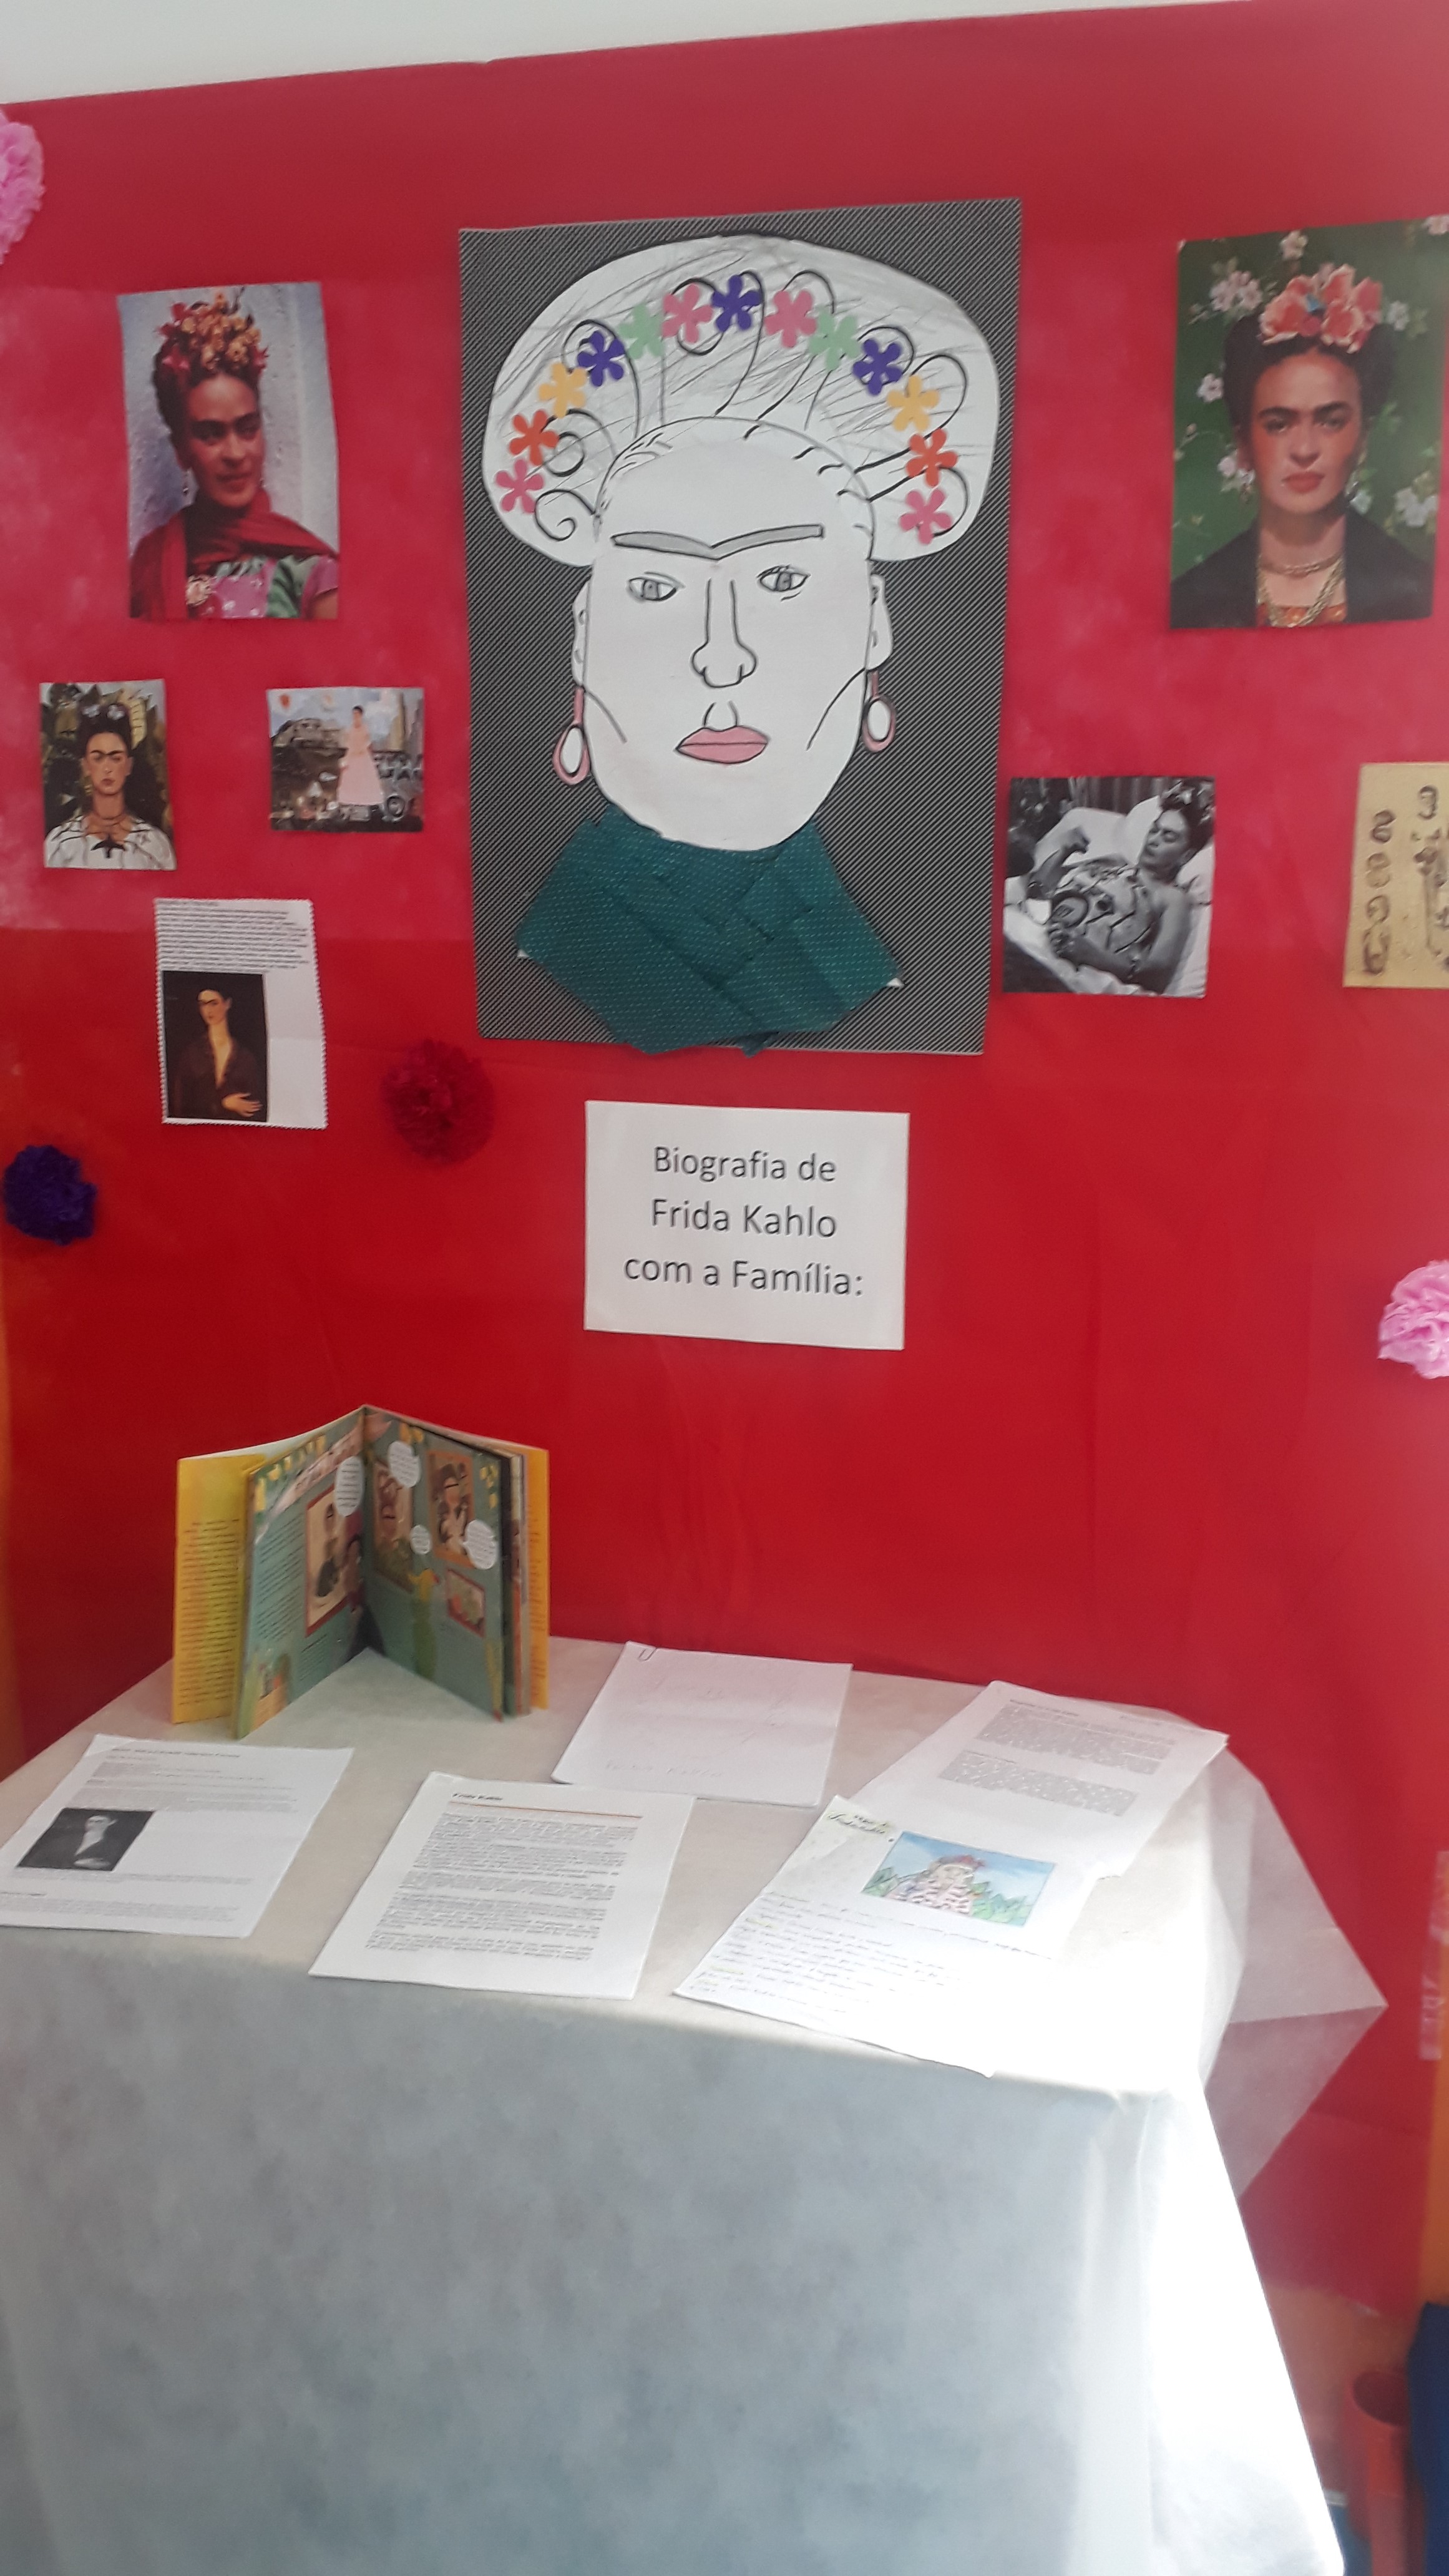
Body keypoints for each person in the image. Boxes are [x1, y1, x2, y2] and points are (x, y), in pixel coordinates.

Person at [482, 235, 1002, 1052]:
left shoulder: (903, 937)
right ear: (581, 638)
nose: (720, 657)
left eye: (781, 580)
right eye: (656, 588)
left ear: (876, 623)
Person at [1171, 263, 1432, 628]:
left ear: (1363, 437)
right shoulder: (1191, 602)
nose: (1305, 450)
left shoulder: (1414, 590)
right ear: (1244, 444)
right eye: (1278, 425)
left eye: (1331, 421)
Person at [130, 291, 339, 621]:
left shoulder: (312, 576)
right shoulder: (149, 569)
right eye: (211, 434)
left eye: (247, 429)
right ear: (182, 450)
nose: (236, 454)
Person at [1005, 786, 1214, 996]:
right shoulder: (1113, 861)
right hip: (1030, 934)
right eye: (1154, 830)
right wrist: (1063, 853)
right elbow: (1037, 891)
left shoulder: (1172, 897)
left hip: (1072, 971)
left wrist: (1091, 955)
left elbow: (1157, 975)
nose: (1153, 840)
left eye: (1168, 837)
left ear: (1186, 856)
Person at [44, 703, 175, 869]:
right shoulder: (59, 844)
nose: (107, 768)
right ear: (85, 765)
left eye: (116, 758)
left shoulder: (154, 845)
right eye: (98, 758)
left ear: (129, 765)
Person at [169, 985, 265, 1120]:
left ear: (227, 1004)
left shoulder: (246, 1057)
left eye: (214, 1003)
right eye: (203, 1004)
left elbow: (257, 1107)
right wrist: (224, 1104)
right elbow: (180, 1106)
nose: (208, 1010)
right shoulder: (191, 1054)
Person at [337, 706, 384, 810]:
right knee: (350, 778)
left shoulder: (365, 728)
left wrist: (362, 750)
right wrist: (348, 757)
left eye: (357, 714)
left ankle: (366, 801)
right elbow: (349, 743)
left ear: (361, 716)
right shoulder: (350, 729)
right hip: (353, 756)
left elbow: (367, 742)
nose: (355, 716)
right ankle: (351, 801)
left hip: (363, 756)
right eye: (354, 714)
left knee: (364, 779)